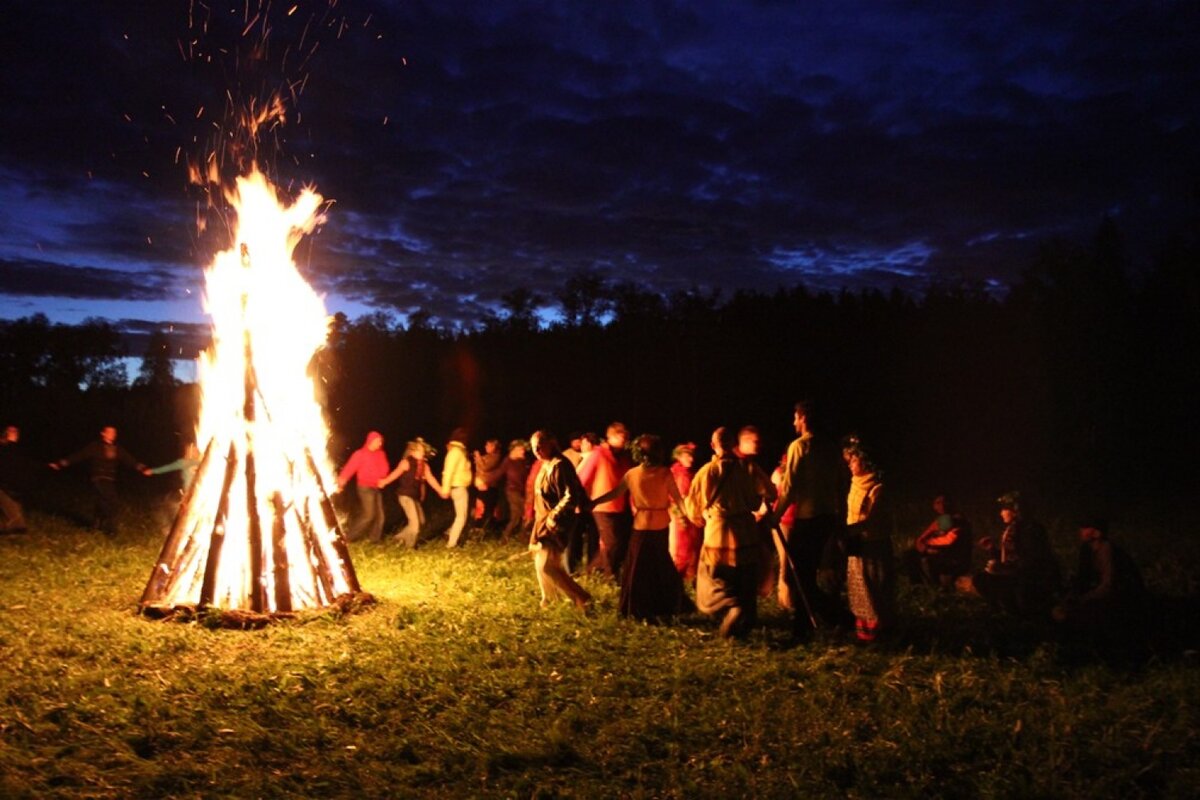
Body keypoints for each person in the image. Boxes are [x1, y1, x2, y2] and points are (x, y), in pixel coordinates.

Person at [592, 434, 690, 621]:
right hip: (655, 525)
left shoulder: (638, 473)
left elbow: (615, 493)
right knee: (656, 566)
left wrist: (594, 502)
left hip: (647, 525)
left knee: (640, 568)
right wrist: (689, 515)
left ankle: (643, 608)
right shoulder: (660, 473)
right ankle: (661, 606)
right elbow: (678, 499)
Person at [771, 401, 844, 637]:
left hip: (809, 516)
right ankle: (805, 626)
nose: (793, 422)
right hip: (828, 516)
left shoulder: (800, 446)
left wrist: (776, 515)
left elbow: (789, 487)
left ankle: (835, 616)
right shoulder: (831, 447)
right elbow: (840, 483)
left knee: (798, 575)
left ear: (803, 418)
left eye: (795, 417)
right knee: (806, 573)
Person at [685, 427, 764, 639]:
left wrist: (701, 516)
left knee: (713, 580)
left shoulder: (706, 472)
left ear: (713, 446)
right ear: (733, 445)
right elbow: (755, 502)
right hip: (745, 534)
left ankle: (732, 607)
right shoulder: (744, 470)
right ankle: (742, 623)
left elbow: (692, 506)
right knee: (745, 579)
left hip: (718, 534)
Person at [962, 492, 1061, 618]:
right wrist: (993, 550)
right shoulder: (1014, 528)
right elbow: (1011, 557)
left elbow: (1032, 561)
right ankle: (1004, 609)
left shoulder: (1030, 530)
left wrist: (1004, 569)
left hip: (1031, 579)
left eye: (1004, 509)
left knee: (1023, 598)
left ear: (1015, 510)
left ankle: (1022, 613)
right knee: (981, 579)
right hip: (1016, 575)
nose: (1001, 513)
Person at [527, 431, 592, 610]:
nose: (537, 450)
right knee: (540, 561)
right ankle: (548, 600)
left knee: (548, 565)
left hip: (556, 522)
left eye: (540, 445)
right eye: (533, 447)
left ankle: (581, 598)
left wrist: (555, 515)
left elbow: (571, 495)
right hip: (542, 519)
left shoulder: (561, 465)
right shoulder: (545, 465)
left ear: (551, 444)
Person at [50, 425, 151, 536]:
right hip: (98, 478)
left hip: (110, 479)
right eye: (109, 432)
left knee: (102, 501)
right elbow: (79, 455)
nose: (112, 435)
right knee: (112, 501)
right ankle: (111, 529)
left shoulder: (117, 448)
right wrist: (60, 464)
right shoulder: (95, 446)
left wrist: (142, 468)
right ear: (103, 433)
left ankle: (96, 524)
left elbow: (130, 460)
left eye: (114, 433)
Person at [1053, 518, 1146, 636]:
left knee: (1082, 615)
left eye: (1086, 527)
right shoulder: (1086, 549)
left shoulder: (1106, 551)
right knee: (1060, 611)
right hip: (1098, 594)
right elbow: (1083, 578)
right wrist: (1072, 594)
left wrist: (1084, 598)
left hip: (1122, 597)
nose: (1081, 530)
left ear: (1097, 533)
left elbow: (1109, 585)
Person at [841, 440, 895, 642]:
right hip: (857, 543)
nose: (850, 464)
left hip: (874, 545)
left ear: (865, 461)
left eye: (853, 460)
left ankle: (880, 632)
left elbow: (870, 521)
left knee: (874, 587)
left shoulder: (876, 488)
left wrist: (844, 531)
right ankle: (863, 630)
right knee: (858, 588)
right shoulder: (855, 483)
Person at [577, 422, 634, 580]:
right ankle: (610, 576)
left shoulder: (624, 457)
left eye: (626, 437)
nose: (625, 440)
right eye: (621, 437)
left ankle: (590, 572)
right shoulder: (599, 454)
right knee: (612, 543)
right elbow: (582, 478)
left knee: (616, 543)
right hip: (602, 506)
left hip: (619, 505)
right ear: (611, 437)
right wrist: (580, 501)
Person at [380, 438, 443, 548]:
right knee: (415, 525)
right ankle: (409, 547)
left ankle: (398, 539)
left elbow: (431, 479)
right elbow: (395, 474)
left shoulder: (424, 466)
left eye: (423, 450)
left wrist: (440, 490)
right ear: (412, 451)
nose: (422, 453)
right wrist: (384, 481)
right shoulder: (406, 462)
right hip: (404, 495)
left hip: (414, 497)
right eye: (419, 450)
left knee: (421, 521)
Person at [902, 494, 973, 589]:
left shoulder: (959, 520)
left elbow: (949, 541)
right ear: (934, 506)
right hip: (938, 552)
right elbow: (922, 538)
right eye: (938, 503)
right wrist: (923, 547)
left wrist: (928, 544)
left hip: (954, 557)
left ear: (952, 504)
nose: (942, 505)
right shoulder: (940, 520)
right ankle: (917, 585)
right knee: (909, 555)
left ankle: (936, 587)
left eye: (945, 502)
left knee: (928, 560)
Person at [337, 431, 391, 543]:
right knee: (369, 515)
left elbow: (385, 467)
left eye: (381, 441)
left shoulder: (381, 454)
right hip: (365, 488)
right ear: (370, 441)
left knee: (380, 516)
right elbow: (349, 469)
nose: (380, 444)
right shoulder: (360, 454)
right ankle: (347, 538)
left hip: (376, 487)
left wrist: (382, 478)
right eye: (377, 441)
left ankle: (374, 540)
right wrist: (341, 483)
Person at [479, 439, 532, 544]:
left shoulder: (523, 461)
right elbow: (498, 473)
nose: (523, 452)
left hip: (522, 491)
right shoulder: (508, 461)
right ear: (514, 450)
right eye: (521, 450)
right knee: (525, 513)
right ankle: (514, 536)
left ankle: (513, 537)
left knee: (518, 516)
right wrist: (485, 481)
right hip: (512, 491)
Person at [668, 442, 701, 582]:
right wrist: (685, 517)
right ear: (679, 457)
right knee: (683, 550)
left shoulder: (686, 473)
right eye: (687, 456)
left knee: (690, 548)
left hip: (687, 515)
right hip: (683, 517)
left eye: (691, 456)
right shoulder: (681, 475)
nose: (691, 459)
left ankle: (686, 580)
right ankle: (676, 582)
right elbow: (680, 499)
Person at [440, 427, 473, 548]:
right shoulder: (456, 452)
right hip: (458, 487)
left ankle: (450, 535)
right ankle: (451, 543)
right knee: (461, 517)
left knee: (461, 516)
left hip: (459, 487)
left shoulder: (458, 451)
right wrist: (445, 489)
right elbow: (448, 471)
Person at [0, 425, 30, 532]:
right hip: (4, 486)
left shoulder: (17, 448)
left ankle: (14, 524)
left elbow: (21, 465)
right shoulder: (4, 447)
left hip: (13, 486)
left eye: (16, 431)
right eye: (11, 430)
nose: (14, 432)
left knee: (18, 521)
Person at [472, 438, 504, 534]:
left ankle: (487, 527)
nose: (486, 447)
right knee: (482, 506)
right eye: (486, 445)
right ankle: (483, 526)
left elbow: (485, 467)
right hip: (482, 486)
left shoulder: (496, 457)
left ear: (494, 447)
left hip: (489, 486)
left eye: (489, 445)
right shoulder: (487, 456)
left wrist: (478, 457)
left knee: (486, 507)